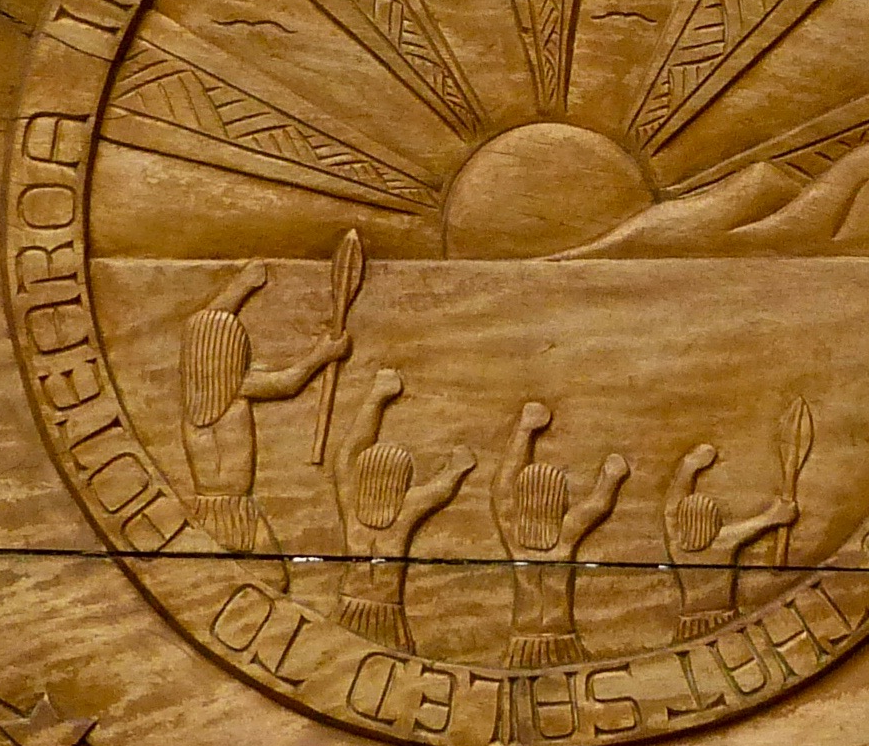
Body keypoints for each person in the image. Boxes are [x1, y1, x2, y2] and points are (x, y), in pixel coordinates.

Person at [180, 262, 349, 574]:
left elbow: (202, 329)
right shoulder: (237, 392)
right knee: (273, 577)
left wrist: (243, 286)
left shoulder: (196, 405)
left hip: (205, 507)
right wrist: (324, 354)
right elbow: (288, 382)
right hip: (237, 511)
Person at [327, 369, 475, 652]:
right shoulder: (403, 512)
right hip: (385, 612)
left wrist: (376, 398)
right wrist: (457, 468)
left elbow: (346, 456)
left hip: (355, 606)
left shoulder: (352, 506)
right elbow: (439, 491)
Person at [492, 401, 630, 668]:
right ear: (561, 501)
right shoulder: (564, 534)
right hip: (556, 639)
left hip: (530, 639)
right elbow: (598, 504)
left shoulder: (515, 532)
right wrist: (611, 478)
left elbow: (503, 489)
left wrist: (524, 431)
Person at [661, 442, 796, 641]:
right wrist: (779, 515)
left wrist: (688, 468)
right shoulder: (722, 541)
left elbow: (670, 511)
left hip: (688, 623)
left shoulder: (677, 546)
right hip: (723, 620)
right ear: (714, 521)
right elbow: (762, 522)